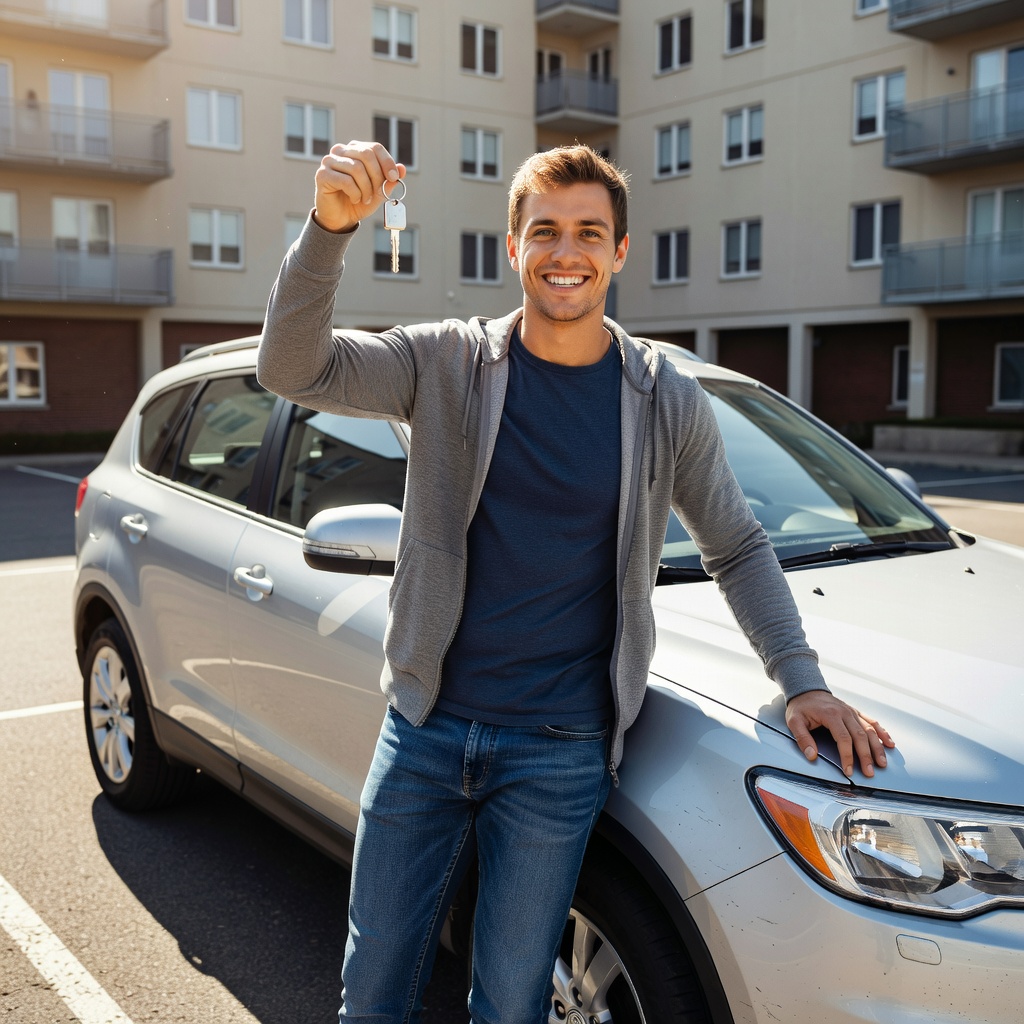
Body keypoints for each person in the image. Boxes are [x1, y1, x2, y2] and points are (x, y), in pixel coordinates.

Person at [258, 139, 894, 1024]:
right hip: (425, 732)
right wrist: (328, 229)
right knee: (372, 993)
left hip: (559, 754)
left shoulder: (664, 395)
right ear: (514, 244)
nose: (568, 253)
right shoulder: (445, 363)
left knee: (512, 1004)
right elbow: (290, 369)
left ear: (620, 251)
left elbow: (737, 544)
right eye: (546, 230)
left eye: (590, 232)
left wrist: (802, 681)